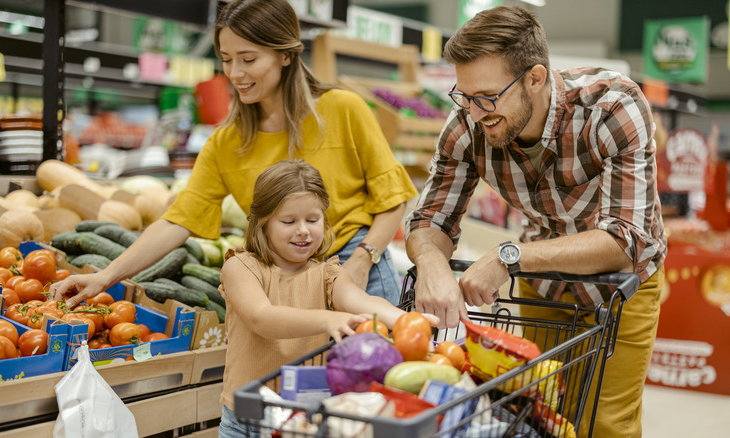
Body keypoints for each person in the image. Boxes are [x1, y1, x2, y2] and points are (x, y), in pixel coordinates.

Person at [405, 6, 666, 438]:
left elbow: (626, 239)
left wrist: (509, 256)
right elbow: (431, 216)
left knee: (603, 425)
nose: (473, 113)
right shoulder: (467, 126)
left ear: (536, 78)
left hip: (622, 286)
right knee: (537, 411)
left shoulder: (612, 107)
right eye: (464, 97)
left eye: (487, 97)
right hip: (543, 285)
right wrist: (431, 264)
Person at [51, 0, 417, 307]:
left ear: (285, 56)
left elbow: (392, 199)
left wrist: (362, 259)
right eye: (227, 59)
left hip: (357, 269)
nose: (235, 73)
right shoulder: (227, 142)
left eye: (248, 59)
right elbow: (177, 221)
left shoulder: (342, 110)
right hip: (283, 281)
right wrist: (106, 276)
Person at [217, 159, 438, 437]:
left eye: (313, 220)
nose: (303, 230)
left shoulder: (326, 274)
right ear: (263, 223)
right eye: (289, 221)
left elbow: (360, 301)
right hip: (245, 421)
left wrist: (408, 321)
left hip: (303, 422)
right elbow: (261, 317)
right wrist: (327, 319)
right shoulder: (241, 266)